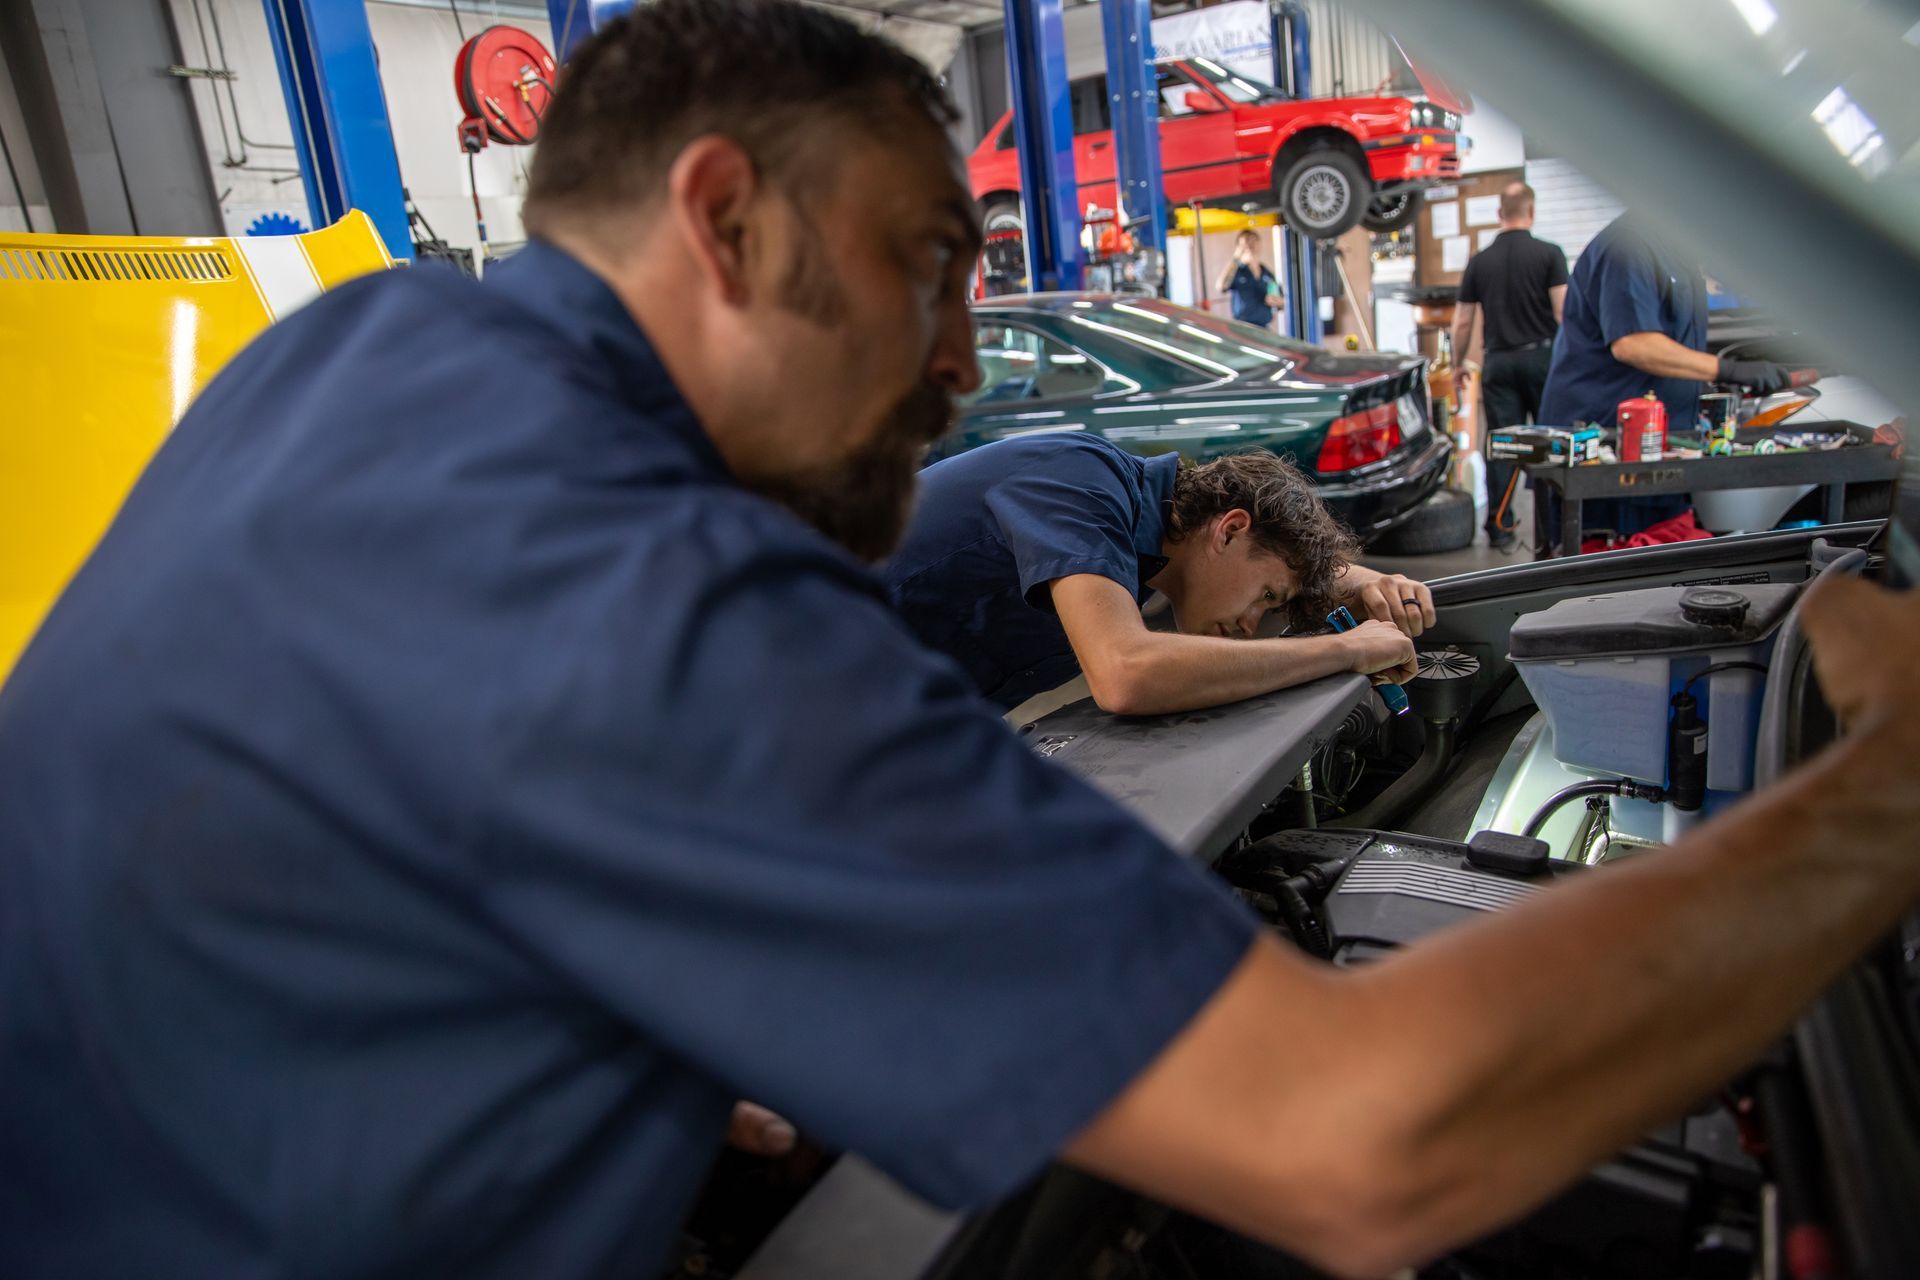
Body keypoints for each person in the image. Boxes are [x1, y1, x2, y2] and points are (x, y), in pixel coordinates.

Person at [2, 4, 1917, 1277]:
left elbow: (354, 827)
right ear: (722, 218)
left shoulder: (355, 355)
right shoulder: (652, 604)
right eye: (931, 268)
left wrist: (641, 1018)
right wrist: (1877, 802)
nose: (961, 369)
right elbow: (1371, 1140)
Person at [884, 435, 1429, 716]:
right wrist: (1346, 650)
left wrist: (1357, 579)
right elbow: (1127, 675)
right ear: (1229, 530)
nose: (1250, 623)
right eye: (1265, 597)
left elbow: (1266, 549)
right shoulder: (1080, 484)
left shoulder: (1143, 537)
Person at [1537, 212, 1794, 546]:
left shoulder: (1677, 254)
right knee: (1610, 579)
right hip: (1607, 453)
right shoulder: (1628, 247)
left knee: (1662, 575)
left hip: (1660, 452)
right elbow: (1634, 344)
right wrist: (1726, 369)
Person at [1451, 182, 1569, 549]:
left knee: (1503, 445)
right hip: (1543, 360)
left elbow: (1463, 323)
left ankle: (1501, 528)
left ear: (1499, 214)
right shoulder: (1550, 254)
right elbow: (1563, 312)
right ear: (1531, 212)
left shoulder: (1479, 261)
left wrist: (1458, 364)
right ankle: (1556, 528)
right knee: (1551, 444)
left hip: (1499, 362)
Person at [1215, 228, 1282, 329]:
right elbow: (1221, 286)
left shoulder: (1267, 273)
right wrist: (1236, 257)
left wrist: (1278, 302)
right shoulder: (1236, 271)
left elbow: (1281, 301)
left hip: (1264, 328)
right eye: (1247, 242)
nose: (1251, 246)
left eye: (1254, 241)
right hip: (1243, 327)